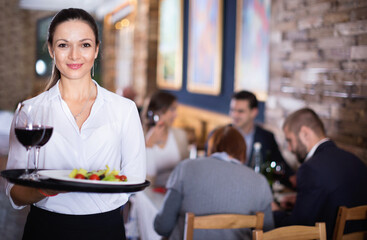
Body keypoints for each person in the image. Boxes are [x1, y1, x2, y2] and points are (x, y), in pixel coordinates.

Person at [5, 8, 146, 239]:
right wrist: (43, 190)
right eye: (63, 45)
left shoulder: (124, 109)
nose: (74, 55)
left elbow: (135, 179)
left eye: (85, 45)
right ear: (51, 49)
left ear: (97, 49)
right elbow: (14, 194)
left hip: (106, 229)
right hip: (46, 228)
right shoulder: (31, 111)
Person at [154, 125, 274, 240]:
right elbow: (268, 234)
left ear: (210, 148)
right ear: (242, 152)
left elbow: (162, 226)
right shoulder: (260, 183)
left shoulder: (186, 168)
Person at [273, 108, 367, 239]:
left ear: (305, 133)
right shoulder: (356, 161)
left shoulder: (310, 169)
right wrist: (299, 201)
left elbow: (296, 229)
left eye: (289, 140)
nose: (289, 148)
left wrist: (275, 211)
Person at [229, 90, 294, 186]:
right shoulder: (220, 136)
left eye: (240, 111)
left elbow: (281, 166)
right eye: (232, 110)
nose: (235, 115)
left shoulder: (267, 137)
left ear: (254, 112)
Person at [143, 90, 189, 187]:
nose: (175, 115)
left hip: (174, 192)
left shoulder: (180, 136)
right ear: (159, 111)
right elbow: (145, 179)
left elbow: (186, 170)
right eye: (172, 109)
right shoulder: (142, 137)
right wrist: (149, 146)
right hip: (149, 194)